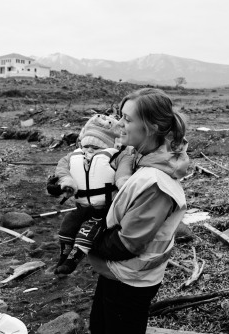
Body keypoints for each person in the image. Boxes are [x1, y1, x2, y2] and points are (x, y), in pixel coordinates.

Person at [87, 88, 189, 334]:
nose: (120, 124)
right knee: (99, 326)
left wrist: (88, 243)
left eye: (128, 119)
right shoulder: (144, 159)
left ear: (151, 127)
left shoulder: (155, 184)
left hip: (130, 281)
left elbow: (128, 242)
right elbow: (125, 158)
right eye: (120, 116)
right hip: (121, 274)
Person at [46, 114, 133, 275]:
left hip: (104, 209)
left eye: (96, 148)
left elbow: (124, 173)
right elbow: (62, 169)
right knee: (67, 227)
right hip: (81, 206)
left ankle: (72, 261)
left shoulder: (119, 157)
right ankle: (63, 255)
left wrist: (124, 183)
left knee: (87, 232)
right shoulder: (72, 157)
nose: (90, 151)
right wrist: (64, 183)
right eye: (86, 147)